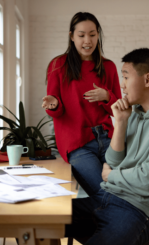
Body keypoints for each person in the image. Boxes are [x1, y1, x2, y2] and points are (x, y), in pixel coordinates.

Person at [65, 48, 149, 245]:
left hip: (138, 210)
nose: (122, 85)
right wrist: (122, 122)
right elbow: (113, 161)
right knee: (41, 220)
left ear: (148, 79)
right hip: (106, 197)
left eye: (125, 77)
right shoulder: (135, 114)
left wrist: (111, 176)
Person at [42, 12, 122, 197]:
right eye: (81, 35)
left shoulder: (108, 67)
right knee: (104, 192)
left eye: (92, 34)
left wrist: (106, 96)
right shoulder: (58, 65)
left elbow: (119, 110)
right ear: (72, 36)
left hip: (108, 139)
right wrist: (53, 105)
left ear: (98, 35)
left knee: (123, 189)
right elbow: (55, 108)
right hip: (77, 143)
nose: (88, 40)